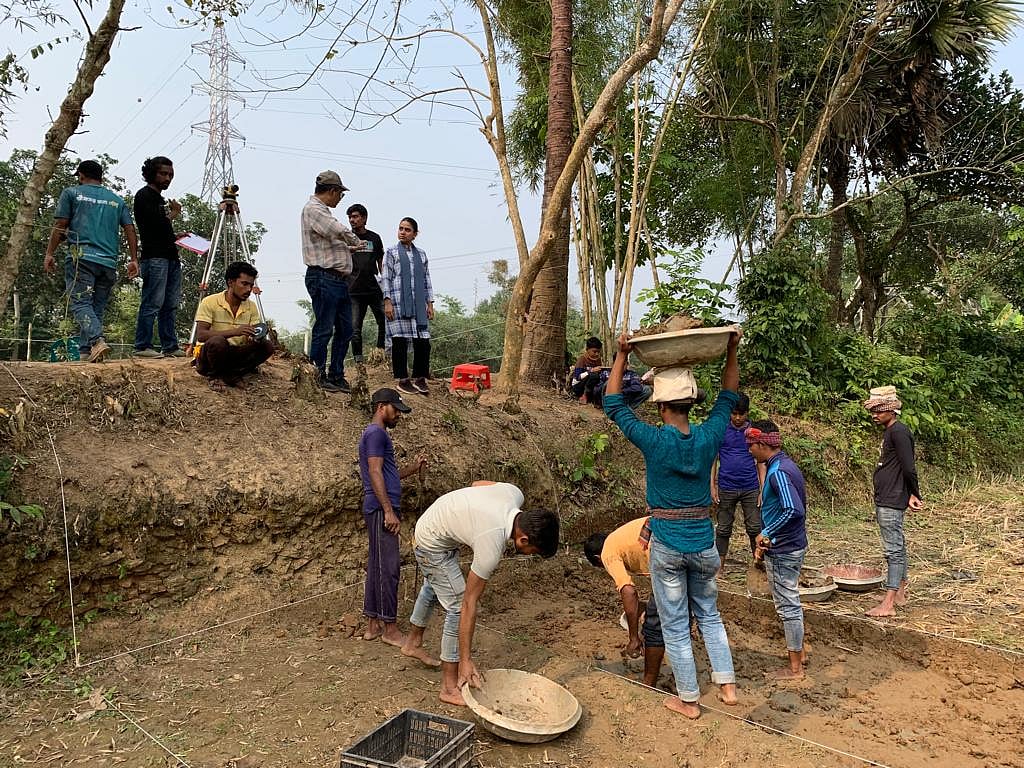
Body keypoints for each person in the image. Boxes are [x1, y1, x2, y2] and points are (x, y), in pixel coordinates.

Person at [604, 331, 741, 720]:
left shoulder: (654, 440)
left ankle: (689, 700)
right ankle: (727, 684)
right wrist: (731, 350)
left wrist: (621, 355)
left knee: (676, 624)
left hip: (667, 544)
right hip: (704, 542)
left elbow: (613, 404)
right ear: (691, 403)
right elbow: (729, 395)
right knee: (709, 614)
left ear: (661, 405)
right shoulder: (709, 435)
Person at [401, 481, 559, 706]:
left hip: (435, 521)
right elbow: (468, 603)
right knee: (457, 605)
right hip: (430, 543)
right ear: (523, 539)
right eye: (532, 551)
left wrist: (466, 514)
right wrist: (465, 660)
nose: (529, 554)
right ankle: (448, 687)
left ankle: (412, 643)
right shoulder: (491, 544)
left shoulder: (513, 493)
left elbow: (477, 484)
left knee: (436, 584)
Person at [43, 159, 139, 363]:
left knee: (80, 303)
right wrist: (133, 259)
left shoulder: (72, 193)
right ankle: (86, 351)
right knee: (96, 307)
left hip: (82, 258)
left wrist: (50, 253)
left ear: (81, 175)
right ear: (101, 177)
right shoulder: (116, 200)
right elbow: (130, 229)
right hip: (108, 262)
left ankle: (96, 340)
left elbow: (61, 224)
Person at [359, 388, 429, 651]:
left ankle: (373, 625)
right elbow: (375, 472)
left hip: (379, 506)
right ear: (381, 407)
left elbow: (386, 474)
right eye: (395, 409)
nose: (399, 414)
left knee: (378, 564)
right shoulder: (376, 434)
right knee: (389, 568)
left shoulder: (376, 435)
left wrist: (413, 468)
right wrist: (388, 510)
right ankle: (389, 628)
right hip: (381, 509)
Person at [746, 420, 810, 680]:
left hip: (784, 548)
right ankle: (800, 654)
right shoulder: (785, 465)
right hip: (790, 544)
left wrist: (767, 533)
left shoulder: (778, 472)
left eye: (751, 445)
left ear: (762, 444)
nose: (749, 450)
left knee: (787, 606)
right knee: (790, 601)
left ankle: (795, 669)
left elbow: (793, 509)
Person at [301, 170, 366, 394]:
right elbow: (335, 229)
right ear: (332, 191)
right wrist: (355, 238)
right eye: (340, 194)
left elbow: (329, 240)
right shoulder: (314, 209)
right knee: (324, 328)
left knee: (346, 329)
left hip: (336, 279)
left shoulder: (322, 212)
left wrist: (349, 248)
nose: (340, 198)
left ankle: (336, 375)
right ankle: (317, 374)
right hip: (324, 277)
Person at [863, 387, 923, 618]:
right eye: (873, 411)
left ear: (892, 410)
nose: (875, 415)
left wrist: (914, 493)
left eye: (879, 411)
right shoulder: (892, 431)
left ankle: (888, 604)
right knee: (897, 546)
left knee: (893, 551)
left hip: (891, 499)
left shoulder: (899, 432)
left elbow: (909, 467)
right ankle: (899, 592)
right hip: (890, 495)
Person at [584, 518, 666, 687]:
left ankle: (648, 686)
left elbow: (629, 591)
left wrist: (634, 638)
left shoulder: (607, 552)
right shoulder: (621, 537)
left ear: (598, 559)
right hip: (688, 546)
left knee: (653, 628)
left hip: (667, 558)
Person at [133, 156, 185, 358]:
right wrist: (174, 213)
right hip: (155, 258)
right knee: (152, 302)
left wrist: (175, 236)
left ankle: (170, 346)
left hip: (170, 257)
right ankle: (142, 345)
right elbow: (153, 225)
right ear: (152, 173)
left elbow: (160, 229)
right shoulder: (144, 195)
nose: (167, 178)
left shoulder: (159, 199)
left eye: (170, 175)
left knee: (170, 304)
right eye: (163, 174)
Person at [194, 261, 274, 391]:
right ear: (230, 282)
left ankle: (232, 374)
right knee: (218, 342)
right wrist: (235, 331)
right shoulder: (210, 302)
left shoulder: (251, 306)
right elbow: (201, 335)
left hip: (235, 355)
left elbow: (255, 333)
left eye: (251, 285)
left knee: (267, 345)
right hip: (210, 358)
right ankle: (216, 376)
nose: (249, 289)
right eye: (244, 284)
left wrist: (255, 337)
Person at [381, 217, 434, 396]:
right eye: (401, 228)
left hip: (418, 305)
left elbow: (426, 280)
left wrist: (430, 303)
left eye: (407, 230)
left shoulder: (422, 255)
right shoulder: (391, 252)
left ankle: (420, 377)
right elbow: (386, 277)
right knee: (400, 340)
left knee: (423, 341)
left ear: (415, 234)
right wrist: (387, 301)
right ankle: (402, 380)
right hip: (397, 302)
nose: (403, 232)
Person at [712, 392, 765, 564]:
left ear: (747, 413)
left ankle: (758, 563)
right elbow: (713, 459)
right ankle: (719, 567)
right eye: (734, 414)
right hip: (726, 486)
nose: (737, 418)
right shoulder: (721, 430)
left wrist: (763, 489)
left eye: (741, 414)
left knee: (755, 527)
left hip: (750, 486)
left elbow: (761, 461)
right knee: (723, 528)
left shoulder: (754, 432)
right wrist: (712, 485)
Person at [346, 204, 386, 363]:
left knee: (384, 321)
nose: (352, 220)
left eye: (355, 216)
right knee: (355, 328)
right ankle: (359, 361)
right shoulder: (347, 237)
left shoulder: (374, 238)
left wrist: (385, 281)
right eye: (350, 217)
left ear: (364, 218)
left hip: (374, 289)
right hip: (353, 290)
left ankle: (380, 353)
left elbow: (380, 261)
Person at [570, 337, 605, 403]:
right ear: (587, 349)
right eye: (594, 352)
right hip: (578, 386)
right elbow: (577, 377)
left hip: (590, 385)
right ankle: (584, 396)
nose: (597, 354)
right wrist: (591, 371)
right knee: (593, 376)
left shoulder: (598, 360)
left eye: (598, 352)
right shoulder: (582, 359)